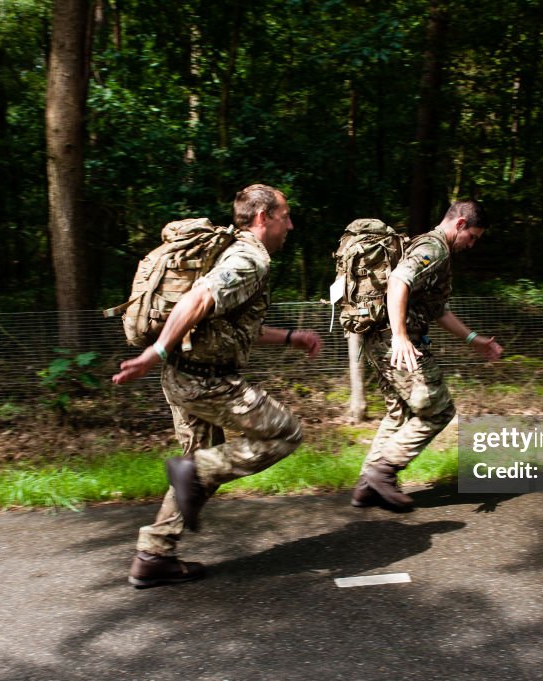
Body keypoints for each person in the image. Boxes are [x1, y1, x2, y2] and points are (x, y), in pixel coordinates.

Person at [113, 184, 322, 588]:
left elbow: (230, 323)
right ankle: (189, 477)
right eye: (285, 216)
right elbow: (199, 299)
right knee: (284, 433)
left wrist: (291, 337)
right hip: (207, 383)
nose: (290, 225)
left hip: (182, 375)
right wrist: (154, 350)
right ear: (263, 217)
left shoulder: (231, 250)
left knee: (201, 461)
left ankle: (153, 555)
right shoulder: (248, 259)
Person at [351, 199, 503, 511]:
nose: (471, 245)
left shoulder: (434, 250)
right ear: (460, 224)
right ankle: (383, 471)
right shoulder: (433, 248)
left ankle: (368, 485)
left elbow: (438, 311)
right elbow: (398, 281)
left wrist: (474, 340)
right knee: (439, 409)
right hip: (395, 342)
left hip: (378, 341)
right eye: (472, 236)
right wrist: (401, 337)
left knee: (399, 413)